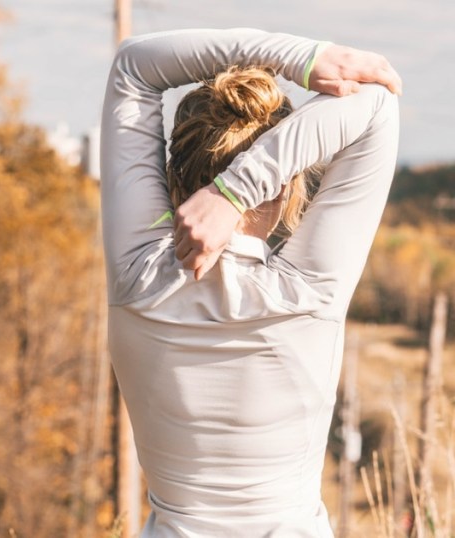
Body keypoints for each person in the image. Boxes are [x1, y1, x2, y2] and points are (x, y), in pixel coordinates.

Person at [100, 28, 401, 537]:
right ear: (285, 187)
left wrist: (305, 59)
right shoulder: (307, 292)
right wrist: (236, 190)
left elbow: (134, 66)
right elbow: (377, 105)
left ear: (174, 174)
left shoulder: (137, 277)